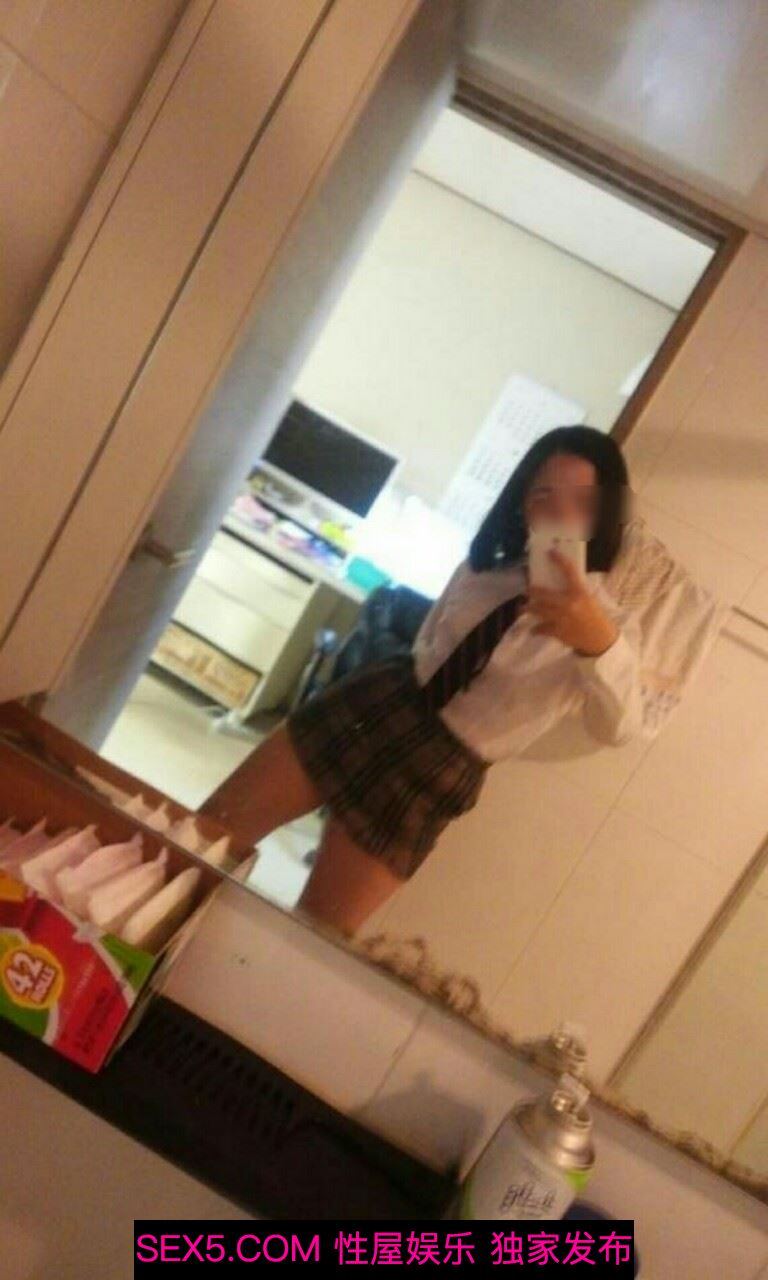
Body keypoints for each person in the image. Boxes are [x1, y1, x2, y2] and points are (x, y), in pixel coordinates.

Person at [199, 426, 645, 937]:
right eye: (544, 494)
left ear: (604, 515)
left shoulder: (611, 626)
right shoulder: (483, 570)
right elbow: (427, 643)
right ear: (523, 503)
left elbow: (621, 727)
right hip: (377, 703)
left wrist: (596, 641)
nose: (559, 515)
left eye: (581, 502)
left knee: (314, 936)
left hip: (437, 769)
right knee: (209, 834)